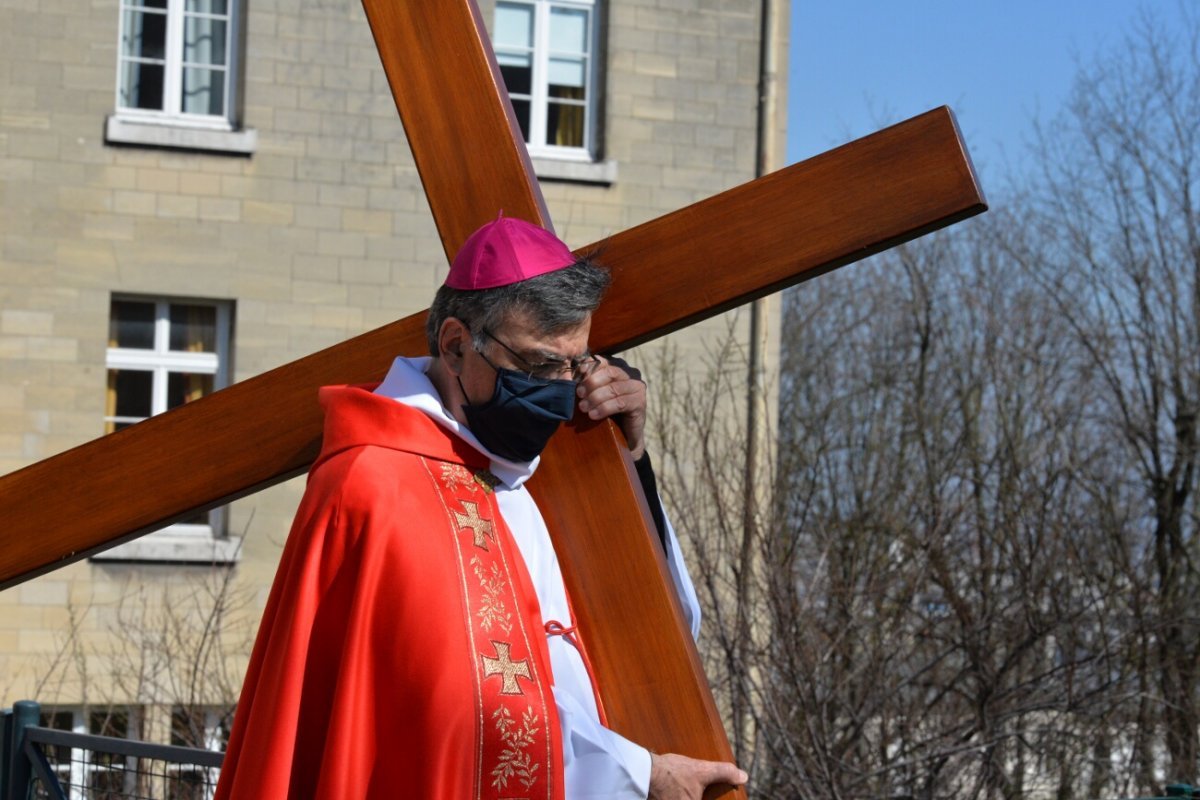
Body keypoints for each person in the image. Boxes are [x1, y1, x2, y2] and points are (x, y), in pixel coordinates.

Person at [213, 216, 746, 799]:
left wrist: (628, 457)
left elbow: (665, 631)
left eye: (576, 364)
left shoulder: (534, 461)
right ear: (455, 344)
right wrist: (640, 774)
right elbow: (461, 709)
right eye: (539, 366)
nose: (561, 390)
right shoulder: (378, 482)